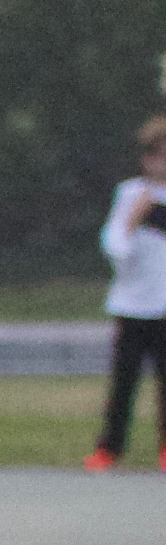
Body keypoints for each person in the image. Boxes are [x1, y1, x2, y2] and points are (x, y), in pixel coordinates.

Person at [93, 117, 166, 472]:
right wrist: (133, 220)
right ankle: (109, 449)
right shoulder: (129, 194)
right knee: (123, 383)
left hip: (164, 308)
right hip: (132, 308)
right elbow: (115, 248)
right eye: (158, 156)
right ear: (146, 159)